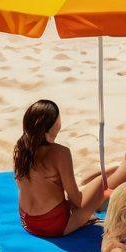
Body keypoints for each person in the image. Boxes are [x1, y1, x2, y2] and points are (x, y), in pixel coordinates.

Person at [14, 100, 108, 237]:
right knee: (103, 182)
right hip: (54, 226)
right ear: (51, 129)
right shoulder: (60, 153)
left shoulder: (21, 147)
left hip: (27, 222)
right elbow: (76, 200)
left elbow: (23, 184)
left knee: (89, 184)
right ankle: (124, 167)